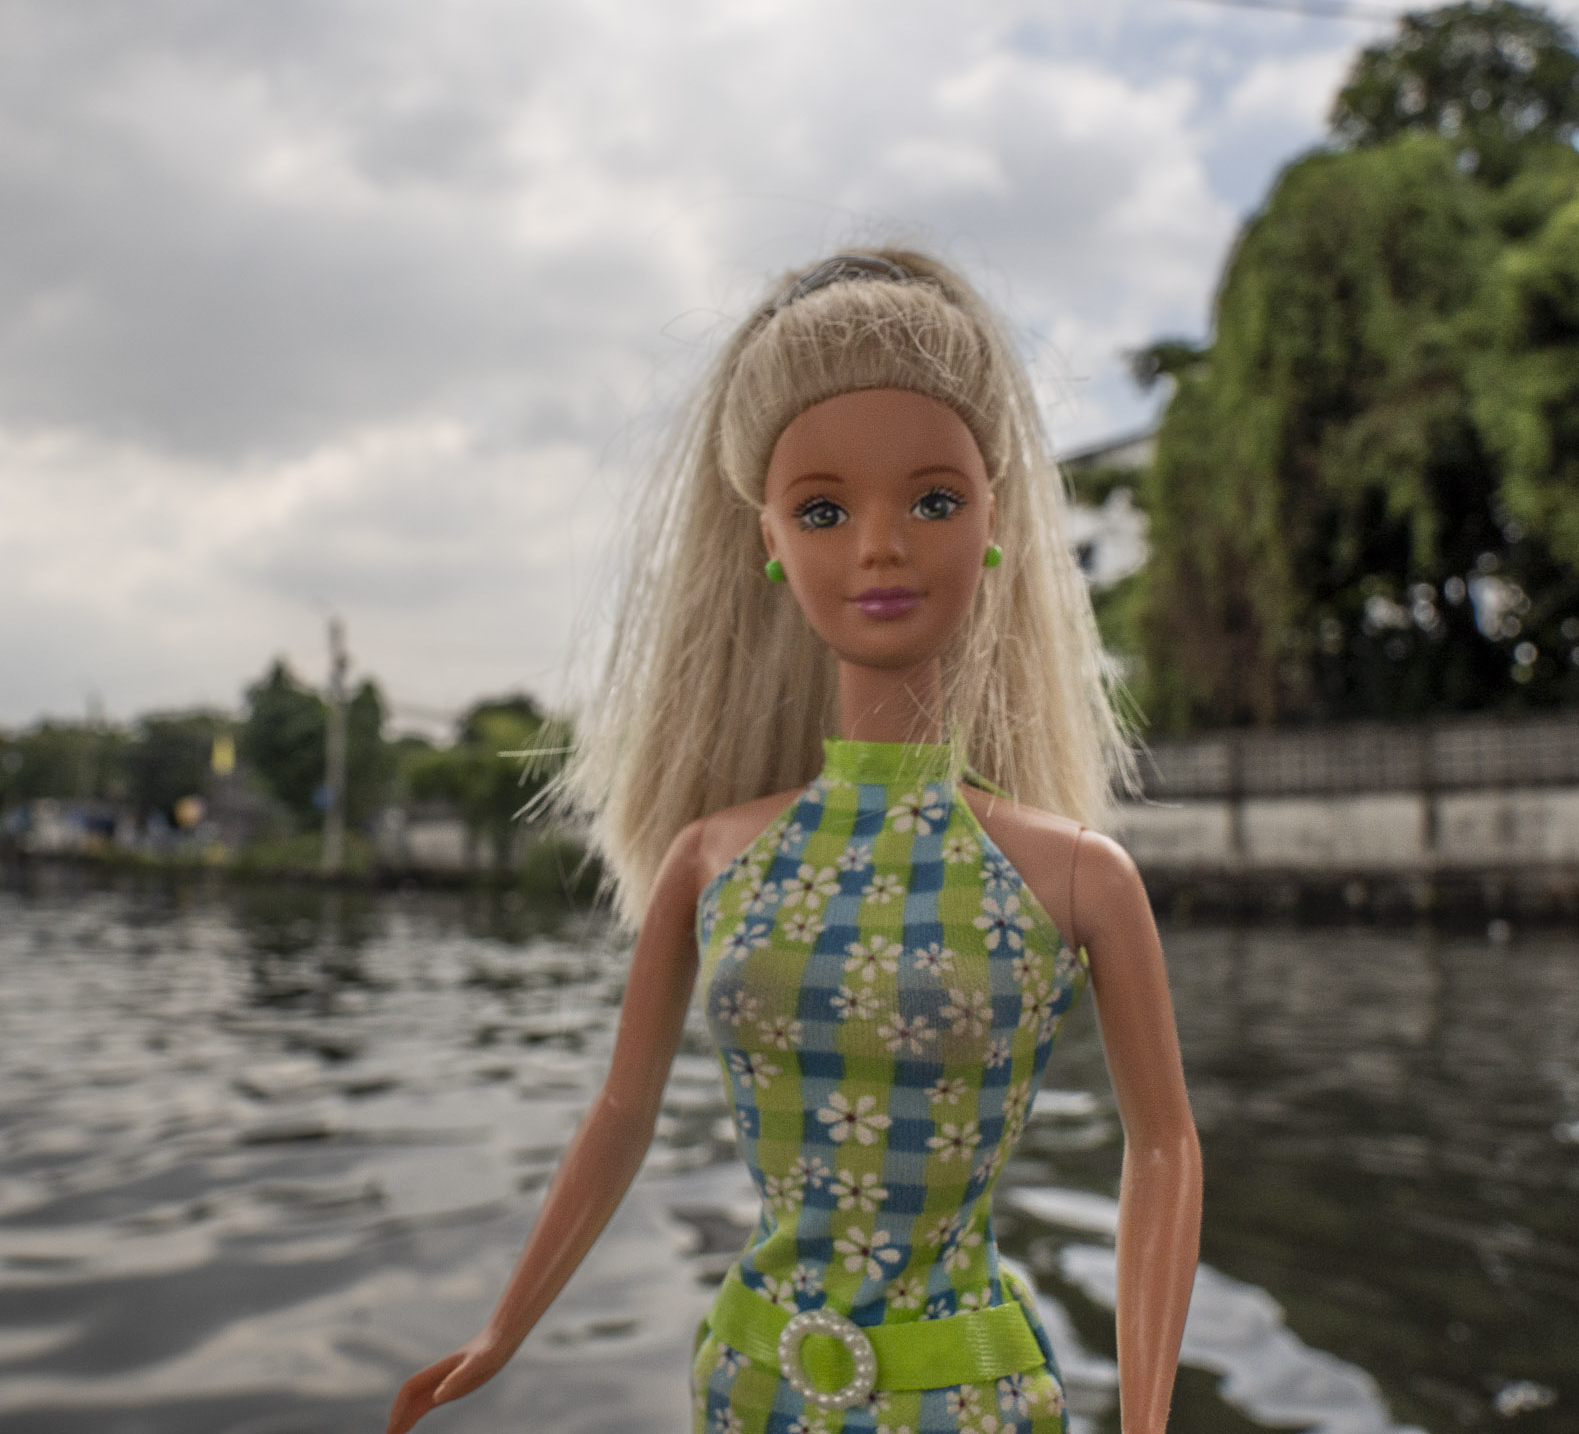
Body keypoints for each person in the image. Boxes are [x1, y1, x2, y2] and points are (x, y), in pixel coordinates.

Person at [387, 250, 1200, 1434]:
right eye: (824, 510)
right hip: (752, 1385)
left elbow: (1164, 1146)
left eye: (933, 500)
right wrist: (501, 1330)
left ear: (993, 522)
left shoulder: (1072, 874)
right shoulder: (714, 857)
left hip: (967, 1400)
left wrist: (1148, 1418)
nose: (880, 546)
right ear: (769, 538)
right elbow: (621, 1112)